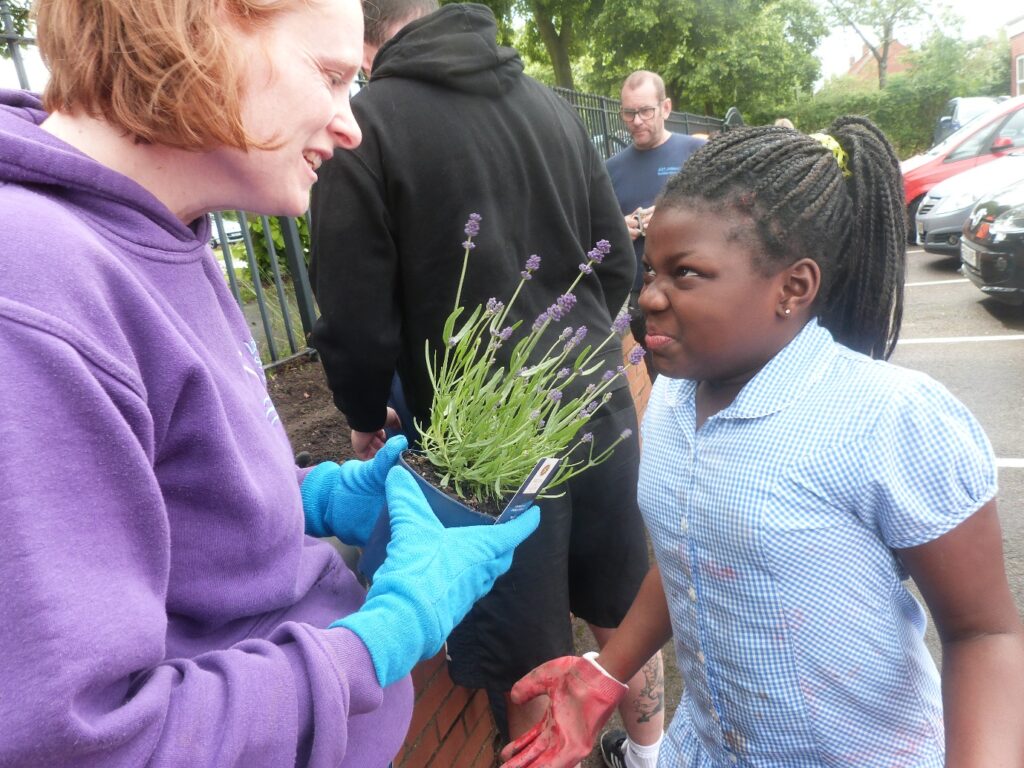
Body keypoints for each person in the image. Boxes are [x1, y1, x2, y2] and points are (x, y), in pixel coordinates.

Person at [0, 1, 540, 765]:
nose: (351, 127)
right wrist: (379, 640)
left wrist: (312, 496)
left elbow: (162, 498)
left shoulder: (163, 229)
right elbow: (87, 744)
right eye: (330, 75)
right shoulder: (33, 292)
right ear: (197, 28)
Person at [499, 117, 1024, 767]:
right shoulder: (672, 401)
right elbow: (691, 554)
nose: (649, 297)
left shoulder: (889, 418)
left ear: (793, 288)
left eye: (685, 274)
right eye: (651, 270)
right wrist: (607, 672)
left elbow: (983, 633)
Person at [308, 1, 665, 761]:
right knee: (620, 604)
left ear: (363, 33)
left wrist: (365, 414)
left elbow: (354, 313)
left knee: (526, 654)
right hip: (593, 403)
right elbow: (614, 260)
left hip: (483, 450)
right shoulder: (550, 106)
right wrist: (576, 353)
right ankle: (651, 755)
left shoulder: (364, 129)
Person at [606, 71, 705, 382]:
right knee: (662, 382)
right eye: (629, 113)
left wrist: (673, 217)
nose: (636, 121)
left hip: (694, 288)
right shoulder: (610, 169)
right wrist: (618, 228)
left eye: (645, 111)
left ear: (666, 108)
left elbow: (727, 216)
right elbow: (595, 232)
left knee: (706, 376)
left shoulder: (697, 153)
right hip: (643, 296)